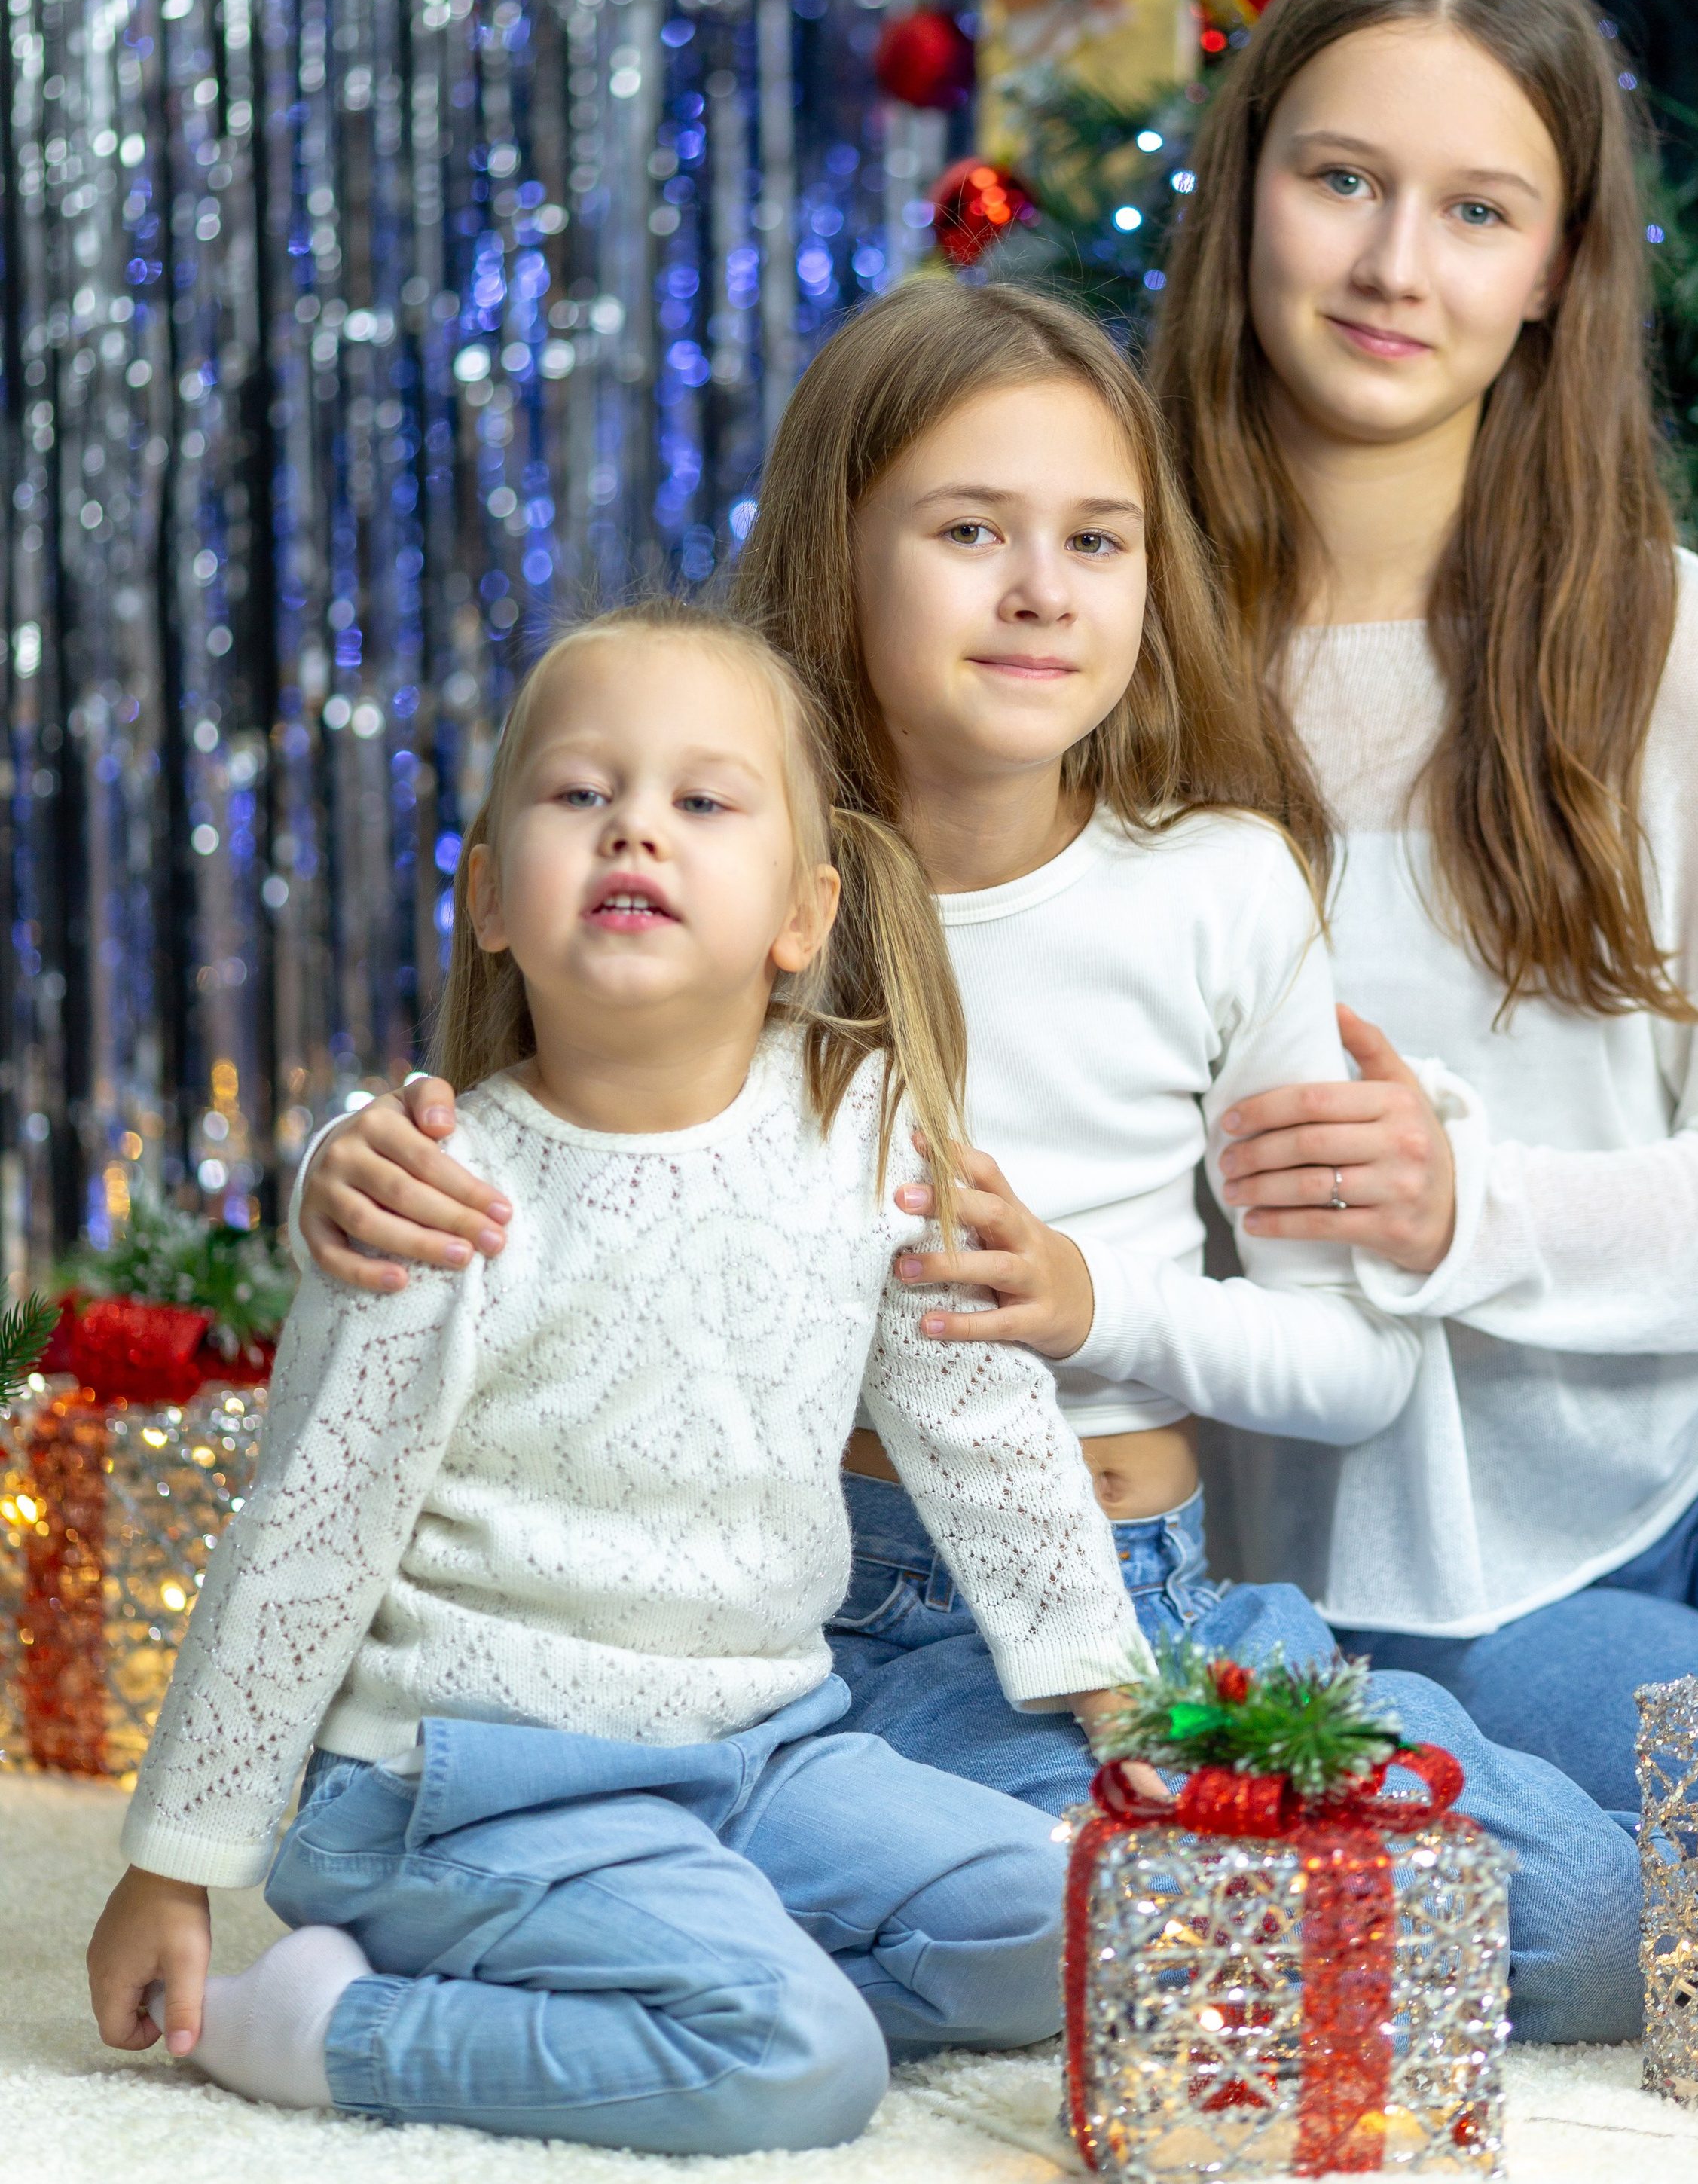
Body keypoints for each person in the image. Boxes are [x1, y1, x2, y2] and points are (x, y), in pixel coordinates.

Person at [294, 280, 1645, 2042]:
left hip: (1159, 1604)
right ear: (833, 554)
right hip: (849, 1618)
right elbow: (531, 1126)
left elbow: (1352, 1369)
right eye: (965, 531)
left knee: (1578, 1921)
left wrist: (1094, 1308)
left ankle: (738, 1912)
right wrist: (347, 1157)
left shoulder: (1220, 888)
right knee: (1135, 1938)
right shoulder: (742, 874)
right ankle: (657, 1896)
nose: (1038, 591)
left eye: (1096, 539)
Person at [87, 600, 1150, 2153]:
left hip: (764, 1753)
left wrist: (1121, 1711)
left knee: (1081, 1923)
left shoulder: (863, 1139)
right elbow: (305, 1534)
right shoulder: (436, 1197)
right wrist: (172, 1864)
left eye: (700, 802)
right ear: (488, 901)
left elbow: (984, 1438)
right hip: (466, 1787)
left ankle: (647, 1969)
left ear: (801, 909)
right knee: (801, 2065)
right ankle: (331, 2019)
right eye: (580, 794)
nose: (634, 828)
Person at [1136, 0, 1698, 1825]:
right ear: (1243, 196)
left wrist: (1463, 1210)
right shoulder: (1094, 626)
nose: (1395, 268)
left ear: (1558, 270)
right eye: (1339, 181)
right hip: (1409, 1549)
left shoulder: (1668, 641)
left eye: (1477, 212)